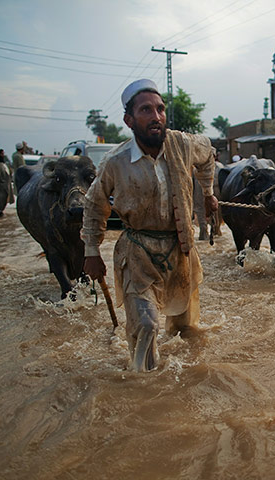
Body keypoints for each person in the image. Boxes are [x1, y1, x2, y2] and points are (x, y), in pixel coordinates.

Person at [82, 79, 218, 372]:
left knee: (184, 329)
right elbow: (95, 204)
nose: (156, 117)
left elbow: (209, 155)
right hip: (138, 253)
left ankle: (175, 393)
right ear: (129, 120)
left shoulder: (183, 144)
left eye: (160, 109)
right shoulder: (115, 162)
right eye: (146, 110)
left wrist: (207, 194)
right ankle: (143, 387)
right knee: (145, 325)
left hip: (180, 249)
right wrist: (91, 251)